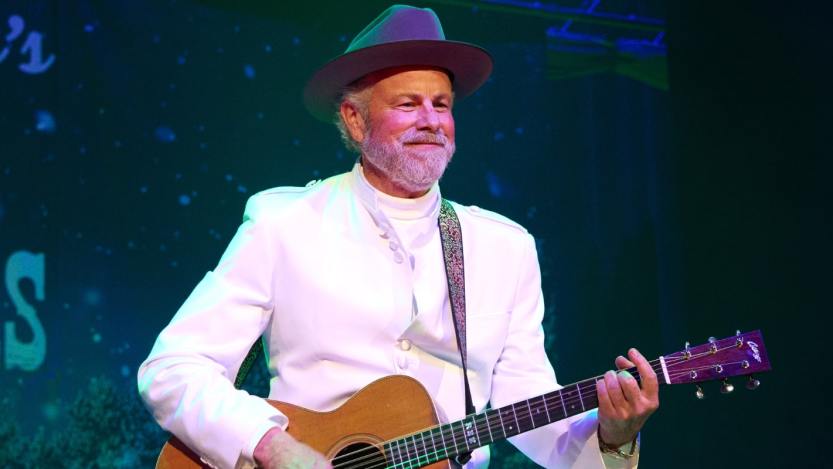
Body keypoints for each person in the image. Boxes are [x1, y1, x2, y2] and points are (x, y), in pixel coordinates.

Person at [138, 5, 659, 469]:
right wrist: (273, 446)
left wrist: (611, 439)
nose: (432, 122)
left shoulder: (505, 247)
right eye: (408, 105)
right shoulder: (285, 223)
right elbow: (173, 369)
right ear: (355, 120)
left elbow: (530, 406)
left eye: (442, 104)